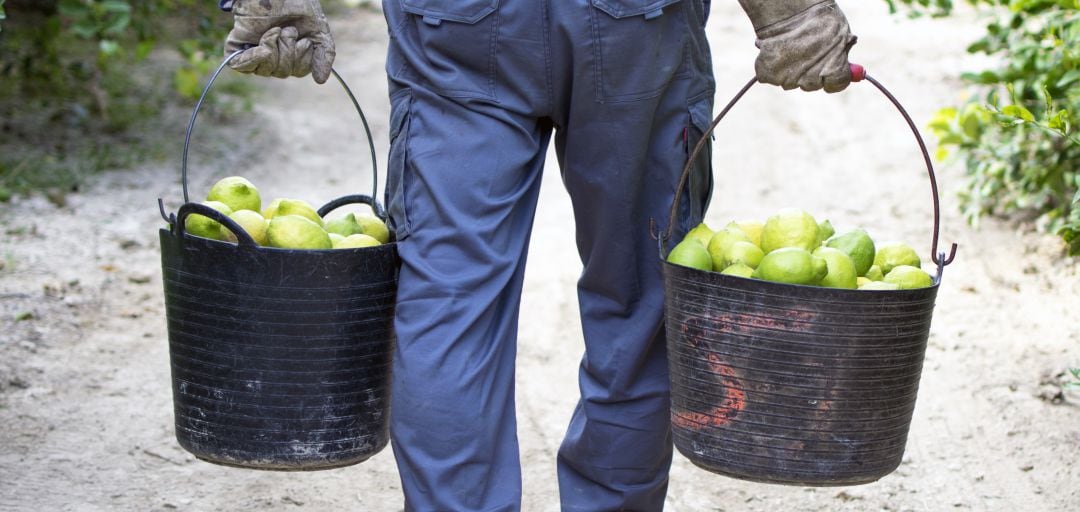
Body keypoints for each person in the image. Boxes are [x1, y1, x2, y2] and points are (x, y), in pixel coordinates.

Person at [221, 0, 856, 510]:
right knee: (639, 301)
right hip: (634, 25)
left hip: (457, 26)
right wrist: (793, 14)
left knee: (450, 304)